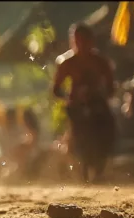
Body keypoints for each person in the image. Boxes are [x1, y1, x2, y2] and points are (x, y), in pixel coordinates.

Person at [50, 23, 117, 184]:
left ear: (91, 41)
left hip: (97, 104)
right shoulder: (66, 62)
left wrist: (98, 96)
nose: (81, 44)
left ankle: (100, 169)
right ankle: (81, 169)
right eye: (77, 41)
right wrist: (71, 99)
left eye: (84, 41)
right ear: (72, 41)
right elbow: (56, 89)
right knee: (78, 137)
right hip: (76, 105)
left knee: (109, 130)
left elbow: (110, 87)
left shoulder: (101, 62)